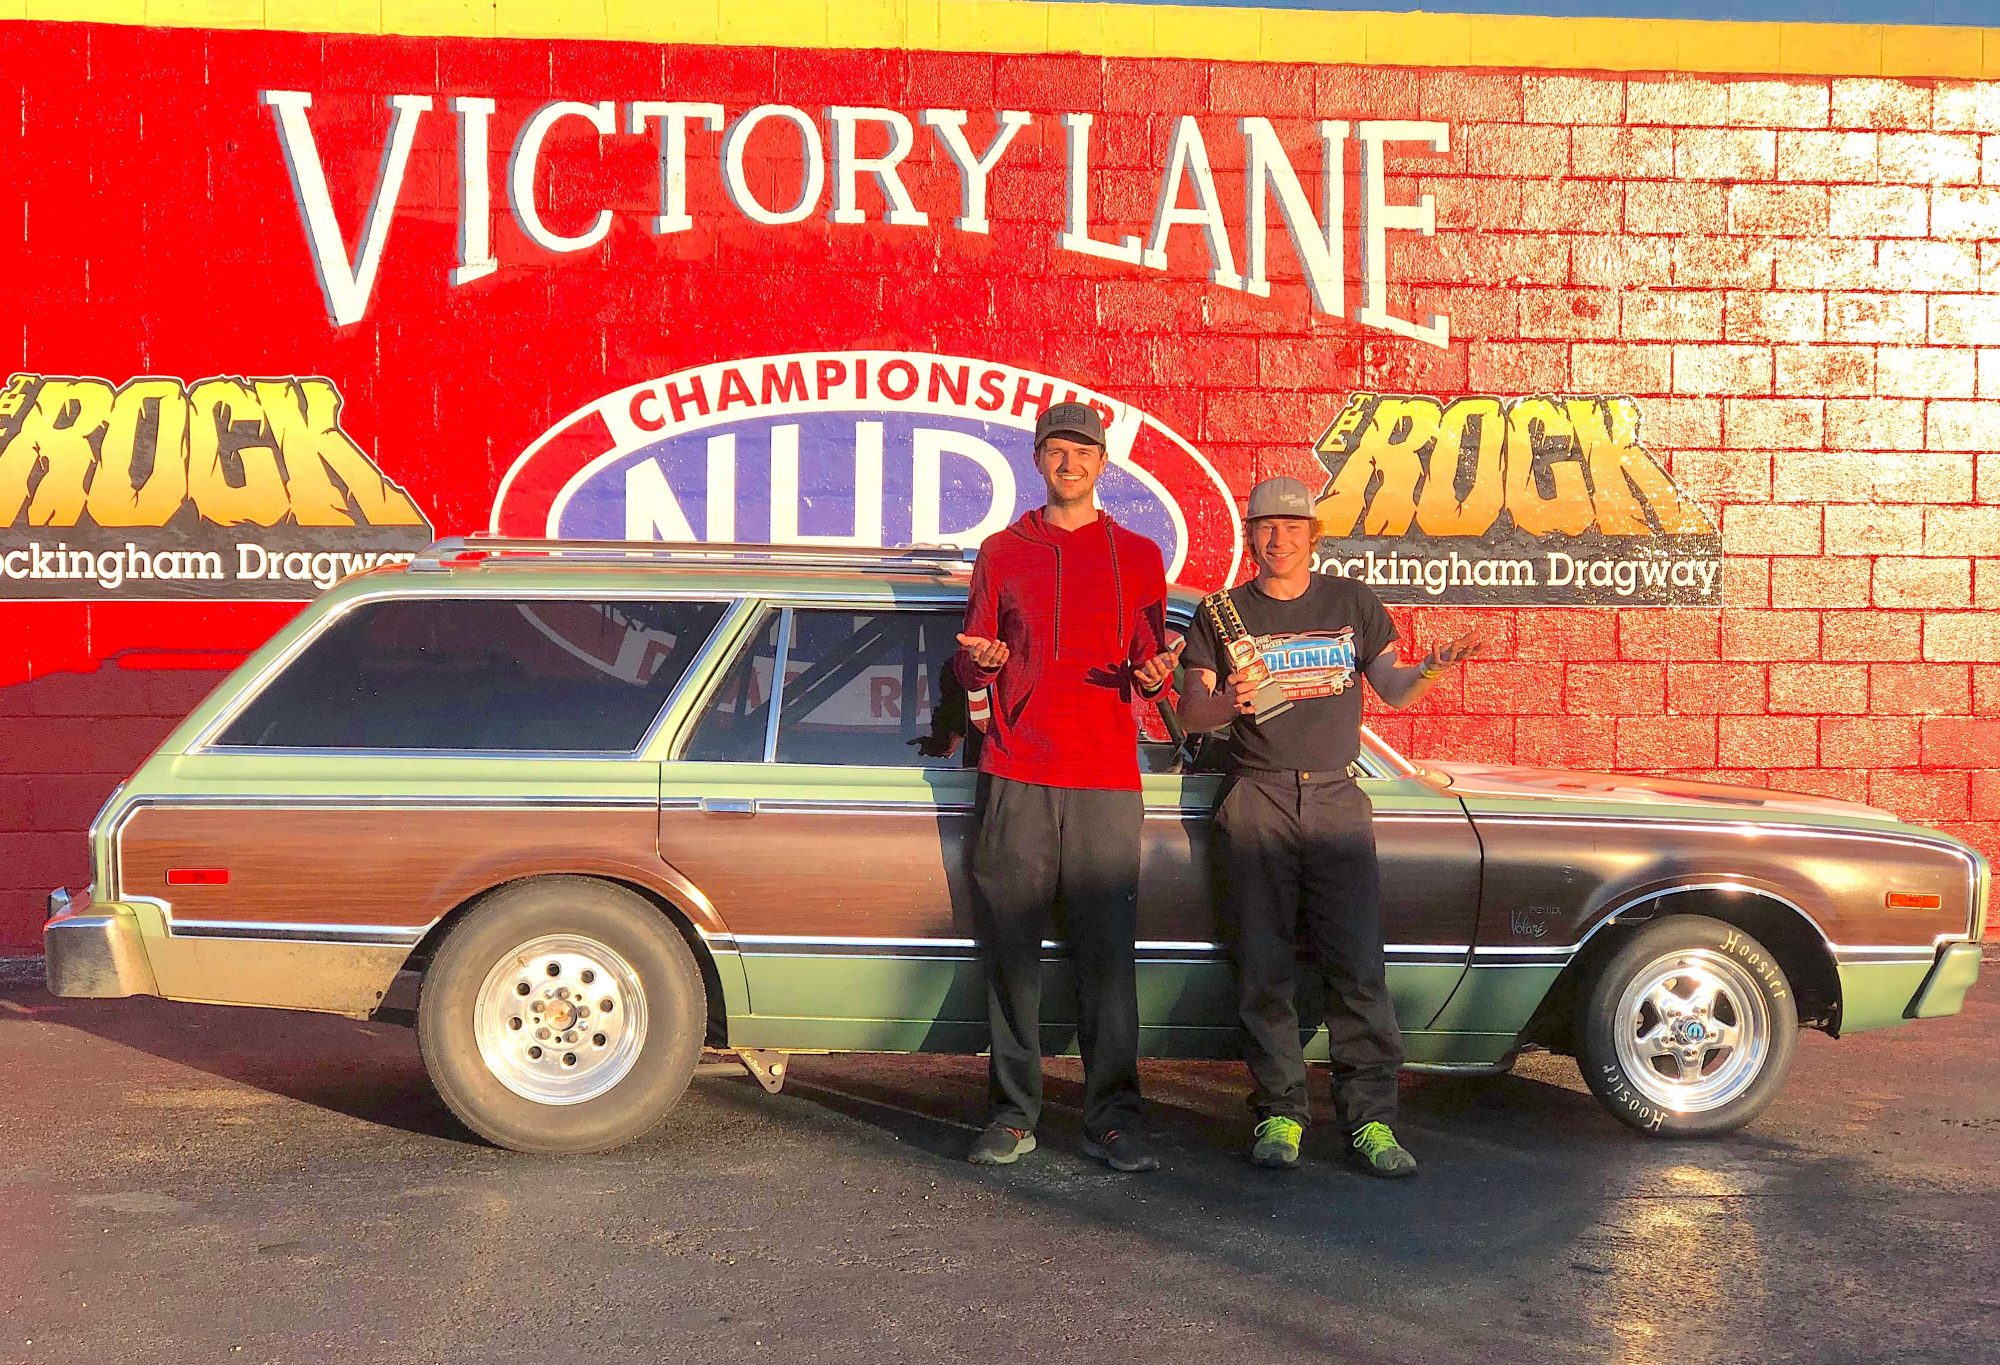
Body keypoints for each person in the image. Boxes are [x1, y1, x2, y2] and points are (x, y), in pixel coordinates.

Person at [1177, 476, 1483, 1178]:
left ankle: (1371, 1122)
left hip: (1337, 800)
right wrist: (1229, 701)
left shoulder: (1351, 601)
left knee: (1356, 965)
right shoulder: (1220, 613)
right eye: (1265, 526)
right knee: (1264, 966)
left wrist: (1433, 666)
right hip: (1255, 798)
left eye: (1292, 526)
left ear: (1313, 536)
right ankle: (1280, 1112)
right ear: (1250, 535)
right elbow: (1191, 714)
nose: (1278, 537)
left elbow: (1396, 688)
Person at [955, 400, 1183, 1173]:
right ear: (1039, 460)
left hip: (1106, 781)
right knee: (1011, 955)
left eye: (1083, 450)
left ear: (1102, 462)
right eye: (1056, 449)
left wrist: (1158, 674)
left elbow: (1156, 667)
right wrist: (978, 666)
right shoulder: (1002, 550)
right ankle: (1013, 1115)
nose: (1070, 462)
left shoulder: (1141, 555)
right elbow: (971, 656)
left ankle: (1113, 1119)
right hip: (1017, 771)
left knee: (1107, 961)